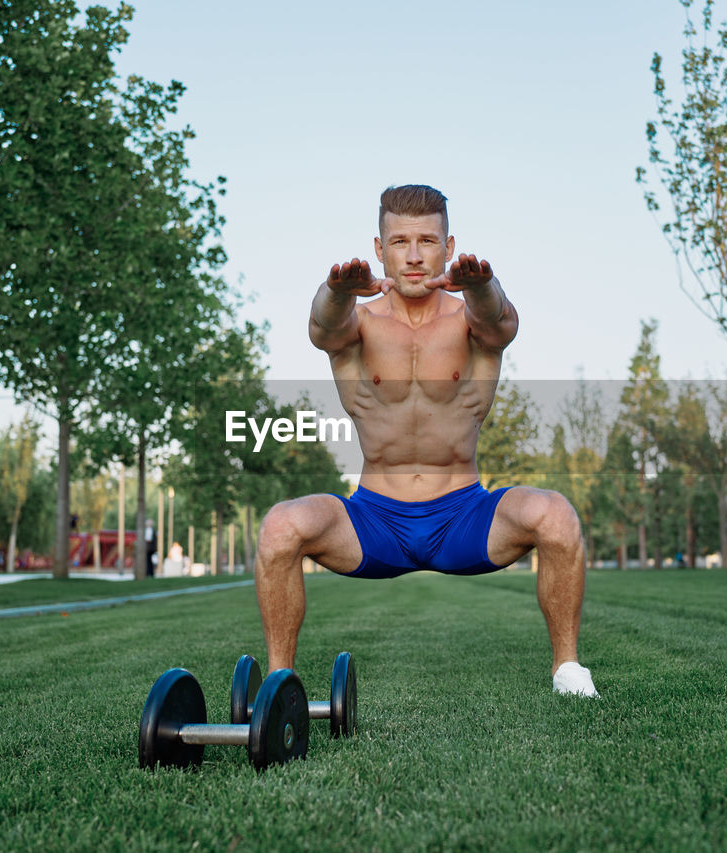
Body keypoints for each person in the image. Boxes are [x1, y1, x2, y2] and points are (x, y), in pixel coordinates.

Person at [254, 185, 597, 697]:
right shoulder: (358, 323)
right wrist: (336, 289)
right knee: (280, 526)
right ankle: (281, 685)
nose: (414, 256)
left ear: (449, 246)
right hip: (374, 521)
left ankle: (568, 671)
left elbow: (498, 321)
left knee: (557, 515)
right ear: (378, 248)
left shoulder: (470, 321)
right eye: (399, 242)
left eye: (427, 241)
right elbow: (321, 327)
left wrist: (483, 284)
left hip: (463, 517)